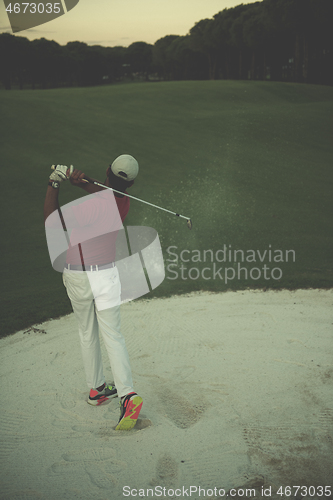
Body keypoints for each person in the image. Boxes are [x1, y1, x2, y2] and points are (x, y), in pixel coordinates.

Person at [44, 155, 143, 431]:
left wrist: (55, 183)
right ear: (131, 184)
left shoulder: (89, 205)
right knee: (113, 334)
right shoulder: (123, 201)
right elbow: (106, 192)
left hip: (77, 274)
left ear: (107, 171)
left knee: (87, 331)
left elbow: (51, 221)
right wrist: (82, 183)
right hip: (106, 276)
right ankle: (127, 394)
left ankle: (97, 389)